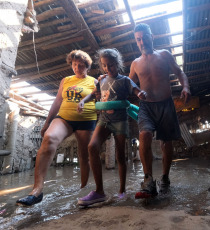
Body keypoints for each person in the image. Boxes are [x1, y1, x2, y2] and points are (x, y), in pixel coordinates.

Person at [16, 50, 97, 206]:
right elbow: (57, 101)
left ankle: (83, 188)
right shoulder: (65, 80)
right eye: (74, 65)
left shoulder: (94, 82)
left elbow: (99, 99)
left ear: (87, 67)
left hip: (86, 120)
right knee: (49, 138)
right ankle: (37, 191)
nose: (77, 68)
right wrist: (47, 122)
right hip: (65, 118)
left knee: (84, 156)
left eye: (81, 66)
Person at [77, 48, 147, 206]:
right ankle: (99, 191)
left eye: (111, 65)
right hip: (104, 119)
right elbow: (93, 93)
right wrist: (83, 101)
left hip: (120, 121)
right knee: (92, 147)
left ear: (118, 64)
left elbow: (136, 90)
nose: (108, 68)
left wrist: (140, 94)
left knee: (120, 156)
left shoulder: (125, 80)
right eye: (104, 65)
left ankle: (122, 190)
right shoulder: (101, 80)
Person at [129, 23, 191, 198]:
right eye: (138, 39)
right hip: (146, 106)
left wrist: (185, 87)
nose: (142, 41)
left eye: (144, 37)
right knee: (144, 135)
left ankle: (165, 177)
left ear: (152, 36)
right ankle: (148, 179)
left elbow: (180, 72)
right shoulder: (135, 63)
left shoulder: (164, 55)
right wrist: (106, 80)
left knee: (166, 141)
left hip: (165, 104)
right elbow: (127, 83)